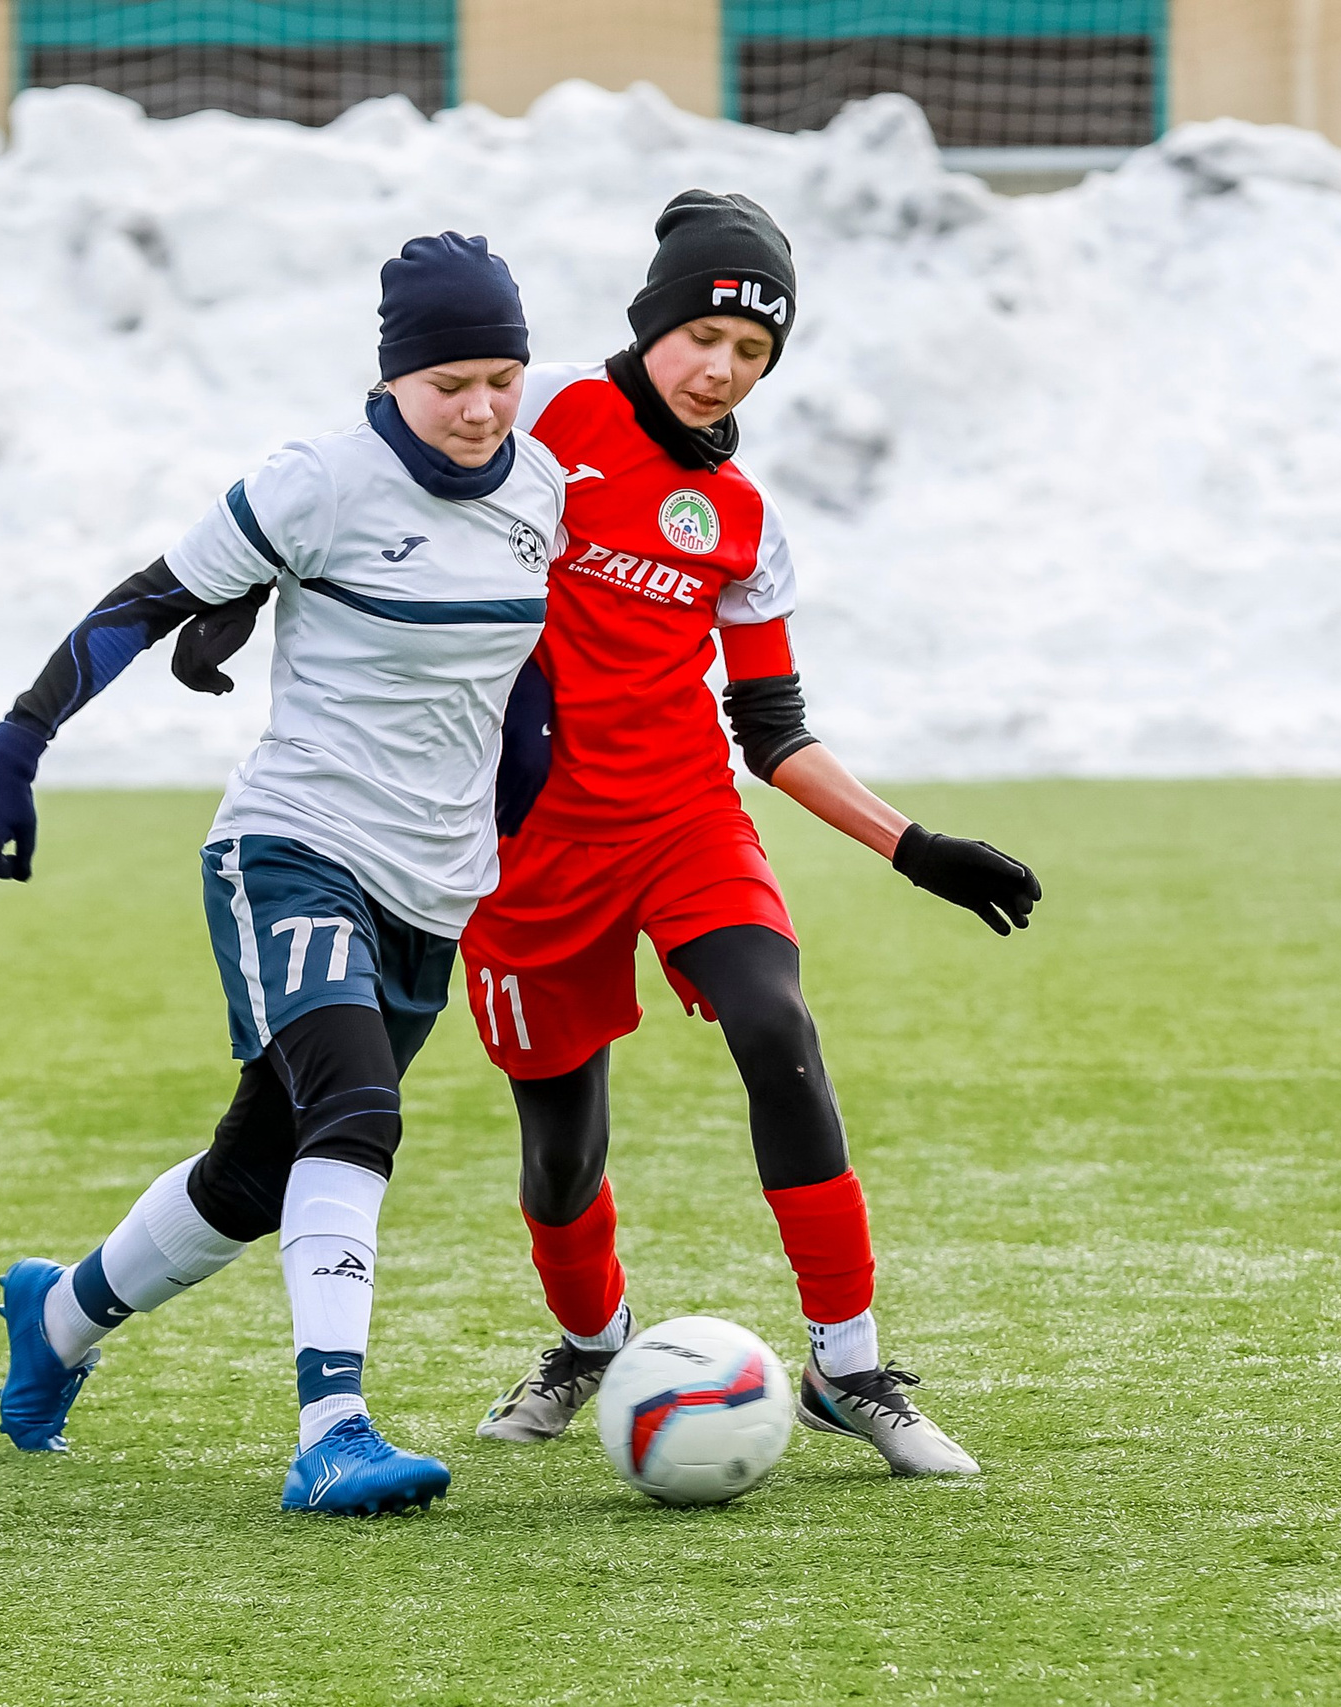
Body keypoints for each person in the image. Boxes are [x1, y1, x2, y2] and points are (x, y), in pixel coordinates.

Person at [0, 232, 562, 1516]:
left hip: (433, 888)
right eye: (451, 379)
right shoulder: (315, 482)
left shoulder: (540, 494)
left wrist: (520, 807)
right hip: (293, 849)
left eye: (503, 374)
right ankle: (333, 1429)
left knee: (252, 1174)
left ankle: (55, 1317)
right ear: (393, 376)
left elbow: (517, 676)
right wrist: (12, 750)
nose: (481, 406)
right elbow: (145, 602)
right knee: (358, 1114)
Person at [462, 192, 1042, 1475]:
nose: (722, 372)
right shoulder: (544, 414)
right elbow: (399, 480)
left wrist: (914, 845)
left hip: (683, 819)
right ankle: (592, 1344)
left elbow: (771, 730)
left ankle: (848, 1364)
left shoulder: (745, 518)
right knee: (560, 1153)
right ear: (654, 324)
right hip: (522, 850)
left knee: (776, 1029)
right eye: (704, 340)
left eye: (754, 356)